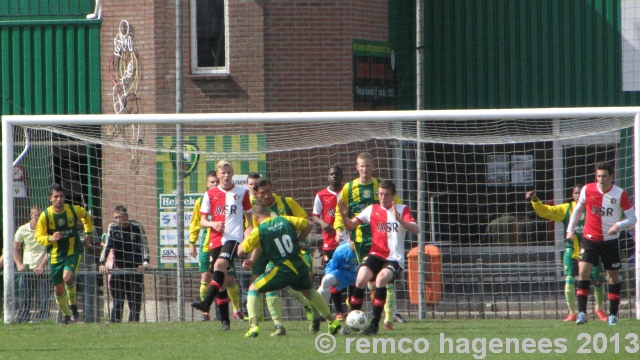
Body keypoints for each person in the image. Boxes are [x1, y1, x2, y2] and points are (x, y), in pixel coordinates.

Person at [238, 200, 342, 338]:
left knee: (253, 289)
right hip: (300, 265)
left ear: (256, 218)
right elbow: (309, 224)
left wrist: (246, 236)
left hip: (283, 269)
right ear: (269, 212)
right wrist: (298, 240)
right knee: (308, 292)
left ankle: (254, 326)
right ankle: (331, 321)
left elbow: (240, 252)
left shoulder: (259, 230)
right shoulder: (284, 219)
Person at [333, 152, 406, 329]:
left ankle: (389, 314)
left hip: (380, 240)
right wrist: (339, 230)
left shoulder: (379, 186)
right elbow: (339, 211)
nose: (365, 169)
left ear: (372, 167)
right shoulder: (349, 188)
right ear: (357, 167)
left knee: (380, 280)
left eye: (368, 166)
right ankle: (377, 315)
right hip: (360, 239)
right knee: (366, 280)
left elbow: (397, 205)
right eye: (362, 166)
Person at [338, 179, 419, 335]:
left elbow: (416, 230)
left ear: (393, 195)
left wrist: (399, 219)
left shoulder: (402, 209)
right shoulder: (371, 209)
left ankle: (374, 325)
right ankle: (351, 322)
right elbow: (350, 225)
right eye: (380, 194)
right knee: (361, 279)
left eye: (386, 195)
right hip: (376, 253)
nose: (382, 198)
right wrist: (343, 216)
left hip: (394, 259)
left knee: (381, 280)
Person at [566, 161, 637, 326]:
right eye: (598, 176)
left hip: (610, 241)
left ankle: (613, 315)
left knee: (612, 276)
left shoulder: (620, 194)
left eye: (604, 176)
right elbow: (578, 210)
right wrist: (571, 228)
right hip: (590, 238)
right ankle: (582, 313)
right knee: (583, 272)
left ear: (611, 176)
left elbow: (633, 218)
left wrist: (618, 225)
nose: (601, 179)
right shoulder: (587, 189)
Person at [526, 187, 607, 322]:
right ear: (573, 195)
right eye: (576, 193)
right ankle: (572, 313)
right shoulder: (567, 208)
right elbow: (546, 211)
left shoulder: (594, 209)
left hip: (592, 249)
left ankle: (599, 309)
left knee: (598, 281)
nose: (578, 195)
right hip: (572, 250)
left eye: (581, 193)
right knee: (569, 278)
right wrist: (535, 200)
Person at [191, 160, 253, 331]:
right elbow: (202, 221)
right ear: (217, 175)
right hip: (215, 240)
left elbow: (249, 215)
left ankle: (206, 302)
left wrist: (249, 229)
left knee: (219, 266)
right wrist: (212, 225)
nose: (226, 175)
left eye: (229, 172)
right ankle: (225, 321)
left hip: (233, 238)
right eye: (223, 173)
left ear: (232, 174)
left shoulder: (241, 193)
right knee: (221, 279)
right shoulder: (209, 194)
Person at [252, 178, 315, 335]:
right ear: (256, 194)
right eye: (262, 193)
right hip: (276, 258)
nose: (266, 196)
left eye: (268, 191)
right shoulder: (257, 213)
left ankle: (315, 314)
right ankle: (278, 326)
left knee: (305, 282)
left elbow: (306, 222)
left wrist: (298, 240)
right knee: (270, 286)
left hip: (297, 253)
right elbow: (259, 240)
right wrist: (251, 259)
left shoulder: (288, 202)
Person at [35, 184, 93, 324]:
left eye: (61, 196)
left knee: (67, 277)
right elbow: (38, 237)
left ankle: (73, 305)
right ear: (50, 199)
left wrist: (88, 235)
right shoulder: (46, 216)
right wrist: (50, 238)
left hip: (73, 250)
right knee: (58, 289)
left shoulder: (73, 210)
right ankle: (67, 316)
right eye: (56, 197)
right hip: (55, 255)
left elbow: (87, 216)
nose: (59, 199)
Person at [99, 205, 150, 322]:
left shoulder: (136, 227)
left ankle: (133, 325)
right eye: (115, 217)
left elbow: (144, 245)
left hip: (135, 269)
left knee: (135, 302)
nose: (117, 220)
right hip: (119, 268)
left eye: (120, 217)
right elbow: (107, 246)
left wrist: (145, 262)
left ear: (126, 216)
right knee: (117, 301)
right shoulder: (112, 227)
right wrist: (102, 263)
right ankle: (115, 325)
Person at [312, 165, 348, 319]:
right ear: (328, 177)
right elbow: (314, 215)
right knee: (333, 275)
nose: (334, 176)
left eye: (337, 174)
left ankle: (350, 307)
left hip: (347, 239)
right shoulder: (321, 195)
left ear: (341, 176)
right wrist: (322, 223)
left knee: (350, 274)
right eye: (331, 174)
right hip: (330, 242)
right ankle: (339, 311)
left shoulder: (347, 192)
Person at [14, 205, 50, 323]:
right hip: (28, 268)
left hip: (43, 269)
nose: (39, 218)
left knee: (44, 299)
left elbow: (50, 250)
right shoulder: (23, 229)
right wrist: (19, 264)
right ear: (31, 215)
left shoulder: (47, 229)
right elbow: (15, 248)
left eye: (41, 215)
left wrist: (42, 265)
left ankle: (43, 321)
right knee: (25, 298)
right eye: (36, 215)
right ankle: (22, 320)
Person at [316, 241, 359, 320]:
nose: (355, 242)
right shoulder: (340, 250)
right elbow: (332, 268)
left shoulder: (365, 250)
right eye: (353, 239)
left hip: (357, 274)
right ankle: (322, 312)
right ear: (349, 238)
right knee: (326, 280)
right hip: (341, 273)